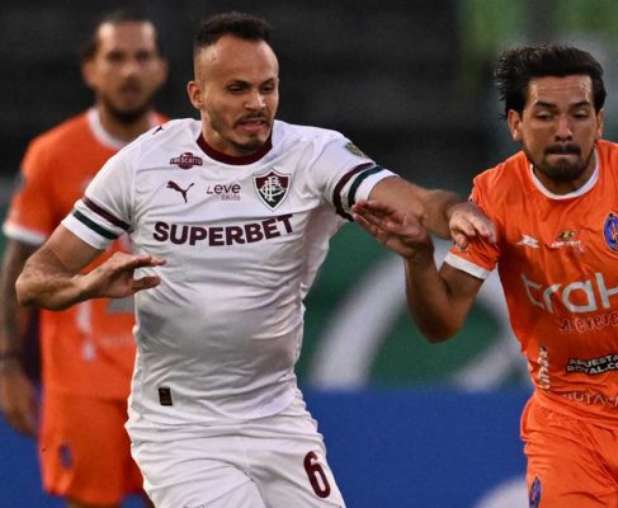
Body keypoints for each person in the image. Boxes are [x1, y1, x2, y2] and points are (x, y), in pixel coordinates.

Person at [14, 11, 493, 508]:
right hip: (180, 423)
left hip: (275, 412)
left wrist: (453, 213)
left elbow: (415, 200)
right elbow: (34, 280)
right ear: (198, 95)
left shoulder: (313, 155)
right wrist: (87, 285)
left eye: (268, 87)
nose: (257, 103)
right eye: (237, 89)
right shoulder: (143, 165)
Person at [352, 45, 618, 508]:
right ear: (515, 123)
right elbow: (442, 323)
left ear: (600, 122)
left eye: (579, 114)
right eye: (546, 115)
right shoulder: (496, 197)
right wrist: (418, 259)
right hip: (568, 427)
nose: (564, 131)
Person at [0, 10, 167, 508]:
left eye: (142, 57)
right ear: (91, 70)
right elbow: (18, 268)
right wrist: (8, 365)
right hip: (81, 380)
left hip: (168, 374)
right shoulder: (53, 154)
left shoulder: (188, 151)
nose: (130, 71)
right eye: (115, 57)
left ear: (161, 69)